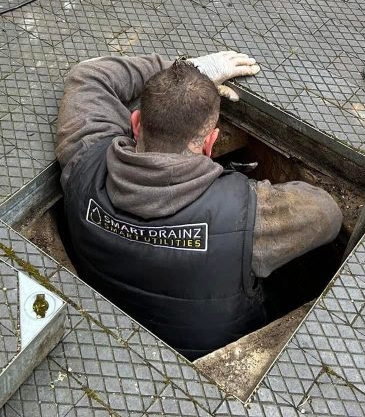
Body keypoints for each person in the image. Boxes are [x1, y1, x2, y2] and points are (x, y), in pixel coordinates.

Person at [55, 51, 342, 359]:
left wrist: (194, 69)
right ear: (210, 143)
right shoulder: (249, 214)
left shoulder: (82, 159)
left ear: (135, 123)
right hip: (211, 355)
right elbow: (328, 214)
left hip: (112, 335)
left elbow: (89, 75)